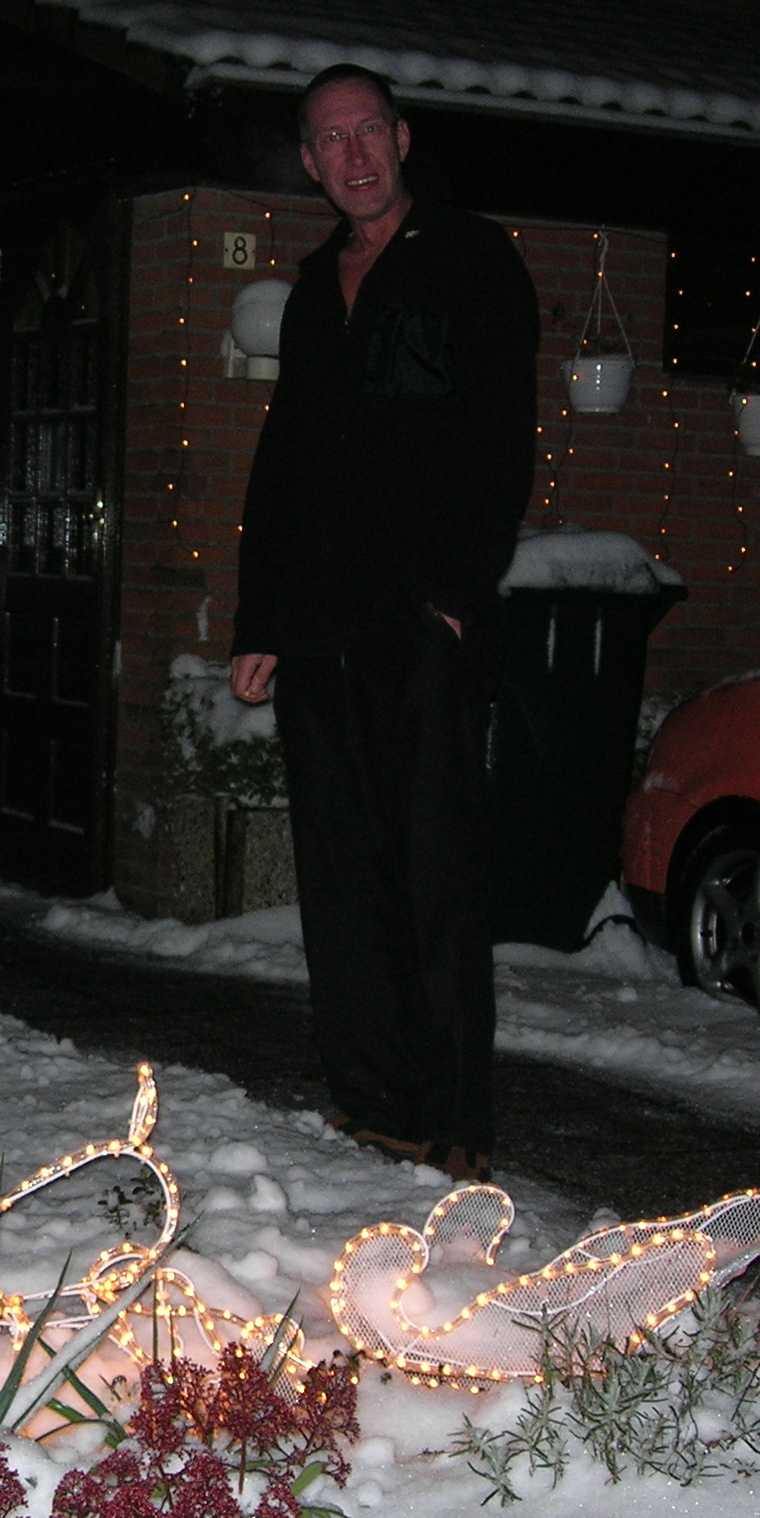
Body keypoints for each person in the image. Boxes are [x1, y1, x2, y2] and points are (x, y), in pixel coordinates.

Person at [230, 64, 536, 1181]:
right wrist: (259, 619)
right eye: (331, 139)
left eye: (369, 132)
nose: (353, 155)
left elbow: (501, 436)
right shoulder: (316, 286)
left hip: (419, 623)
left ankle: (454, 1119)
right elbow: (287, 460)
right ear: (311, 161)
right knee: (342, 874)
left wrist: (454, 597)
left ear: (403, 139)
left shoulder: (472, 259)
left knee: (435, 871)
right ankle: (373, 1103)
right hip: (318, 627)